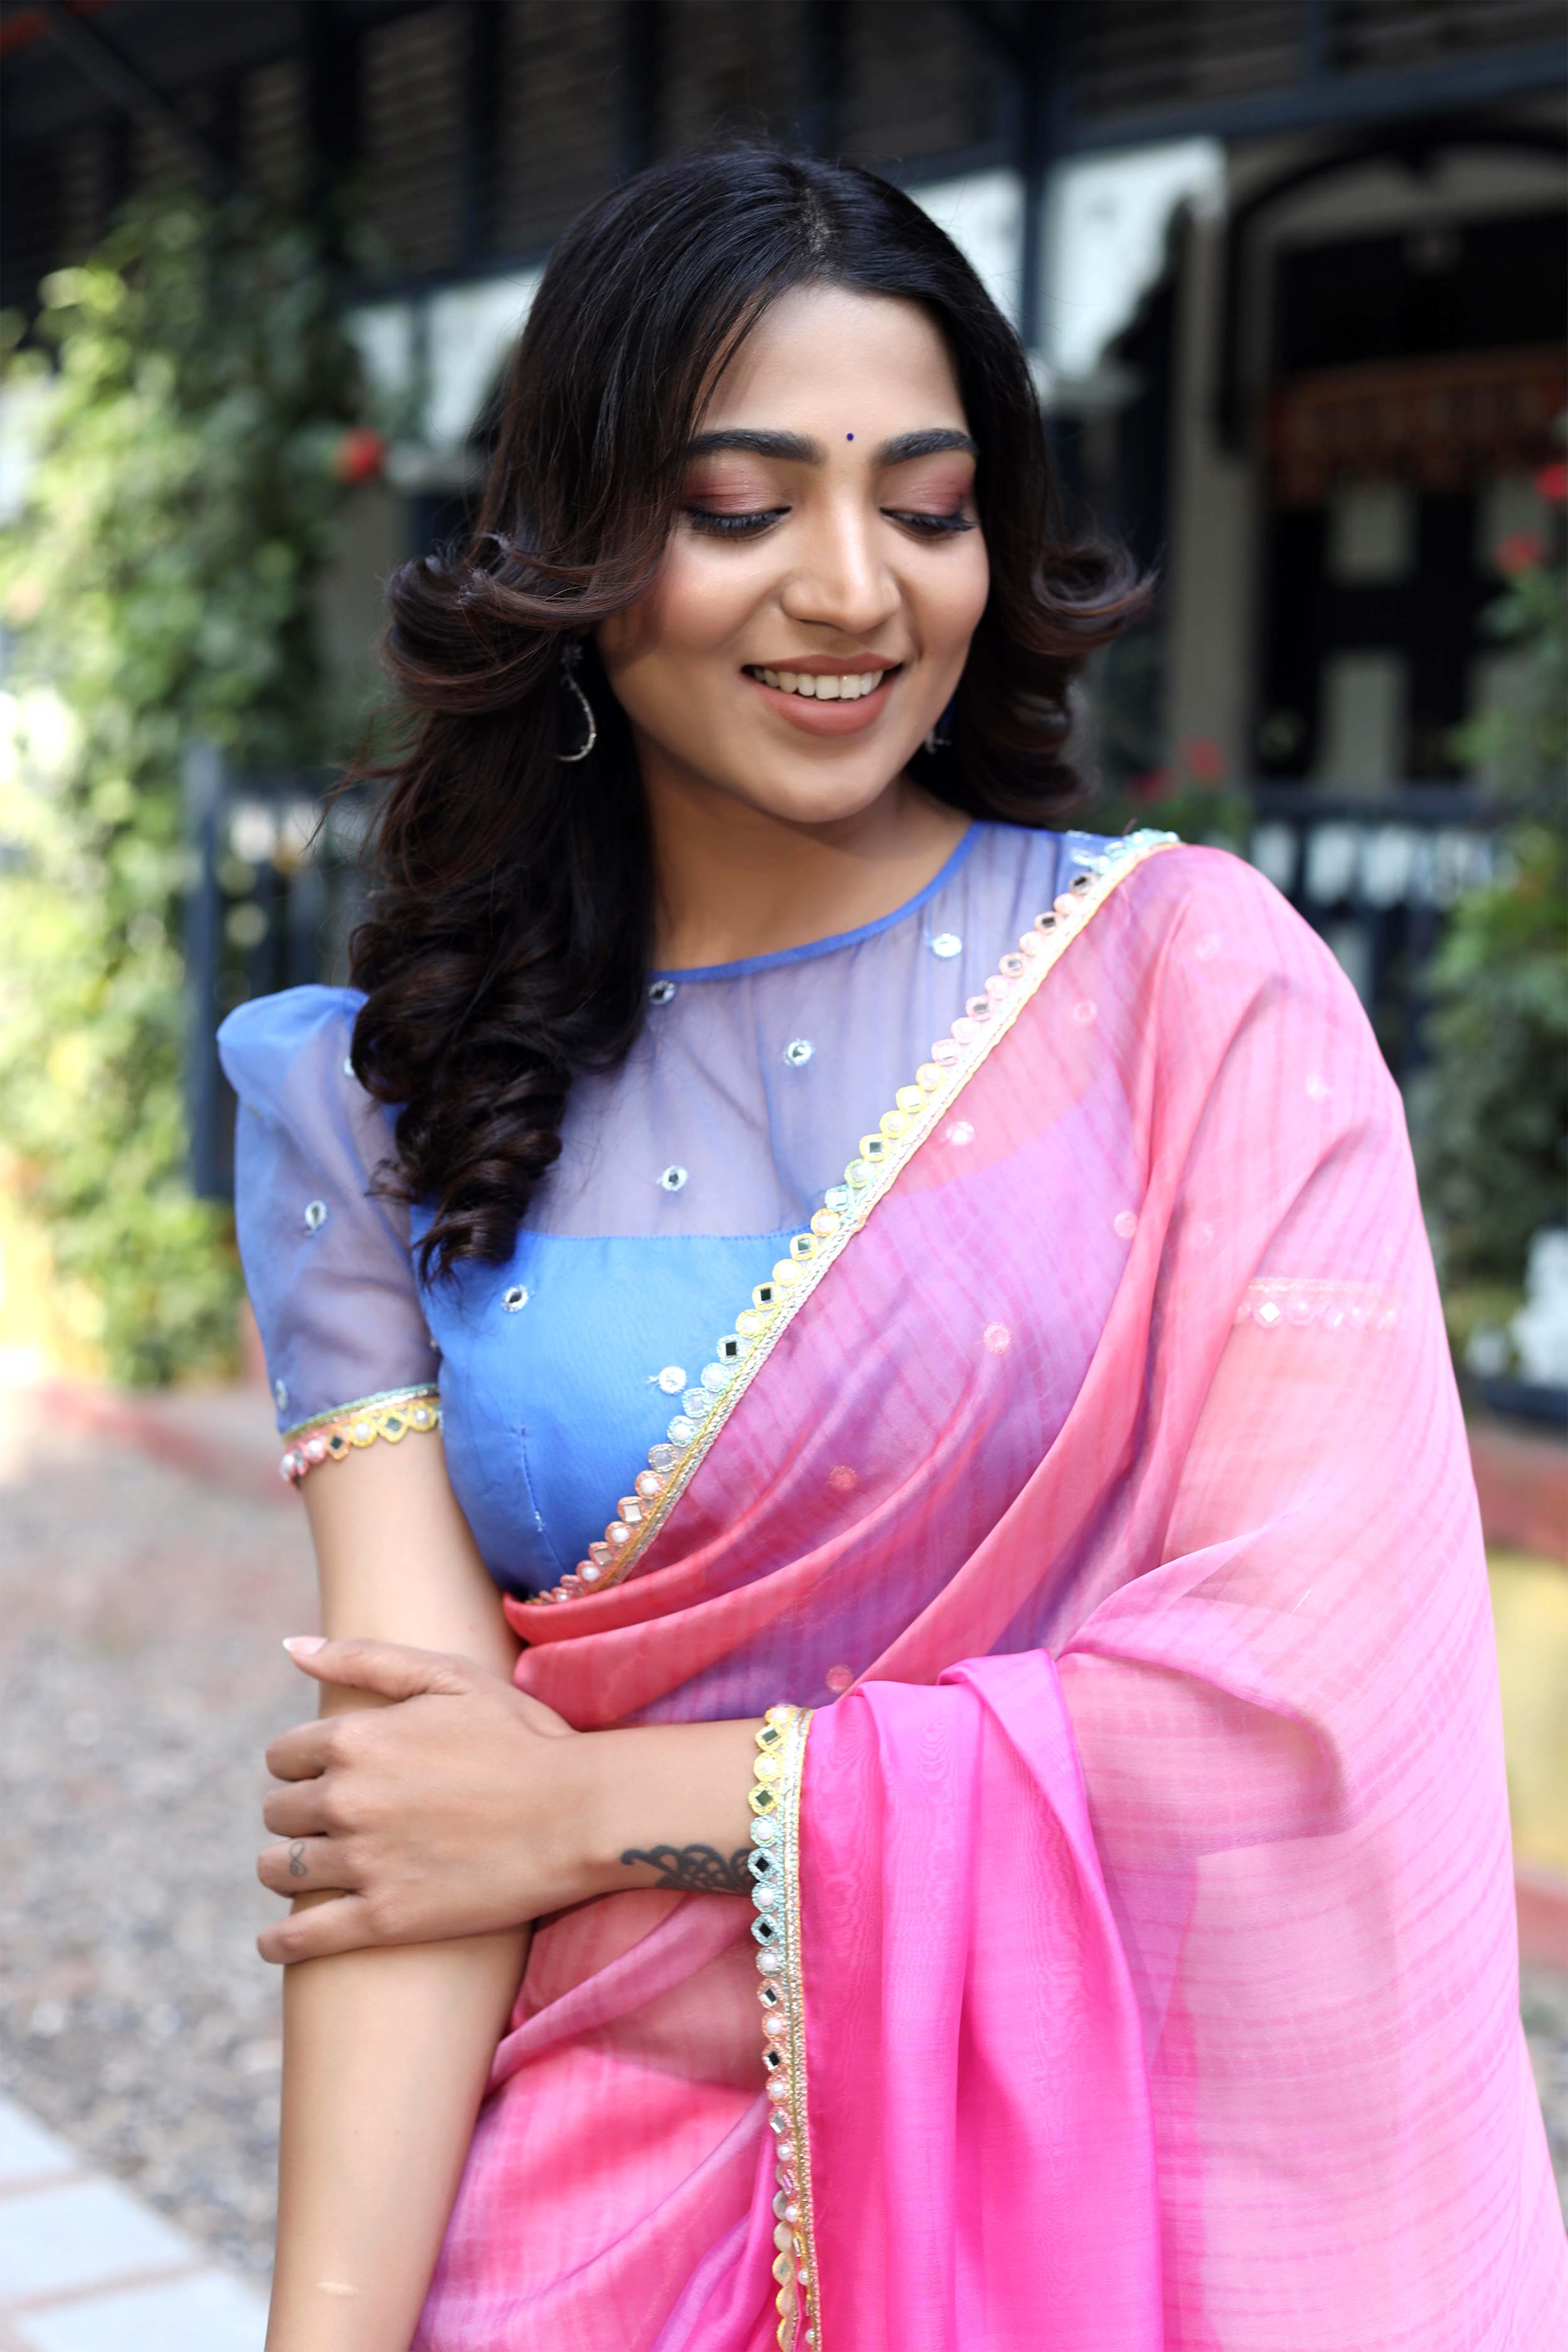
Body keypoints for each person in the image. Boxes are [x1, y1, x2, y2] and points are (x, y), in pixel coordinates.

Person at [218, 145, 1565, 2352]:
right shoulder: (377, 1096)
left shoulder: (1183, 996)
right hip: (568, 2238)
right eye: (742, 505)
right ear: (577, 541)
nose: (851, 589)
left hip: (1073, 2239)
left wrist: (585, 1807)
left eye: (925, 507)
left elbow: (1289, 1712)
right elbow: (408, 1820)